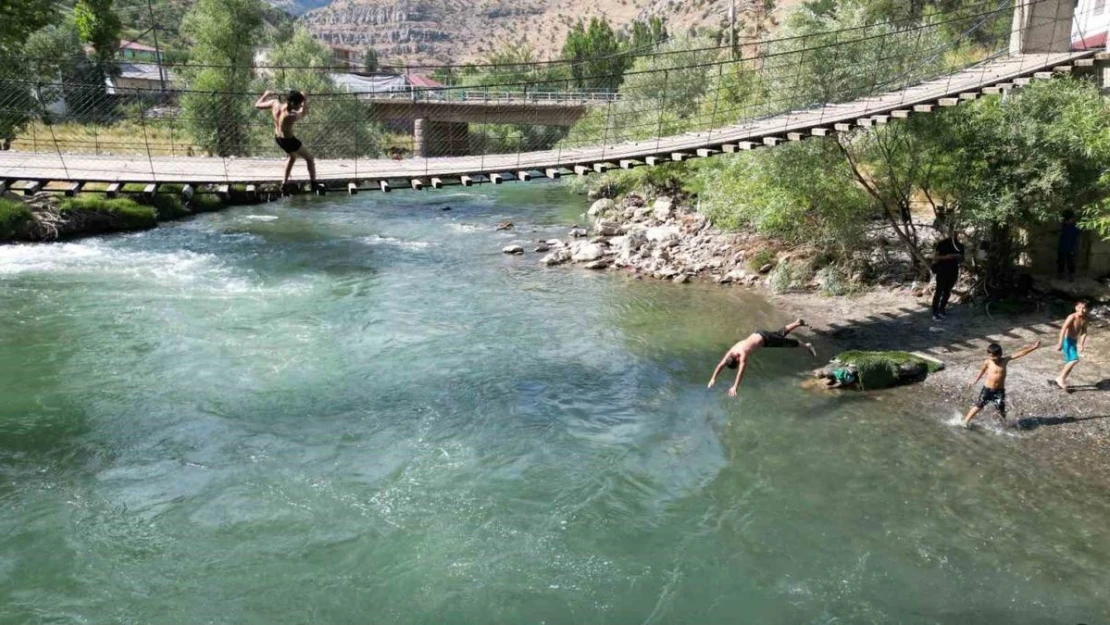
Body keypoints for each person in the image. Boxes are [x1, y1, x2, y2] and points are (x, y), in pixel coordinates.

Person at [708, 319, 818, 397]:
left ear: (736, 360)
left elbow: (741, 371)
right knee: (779, 334)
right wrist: (713, 378)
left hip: (765, 339)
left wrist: (735, 386)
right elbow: (720, 365)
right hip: (759, 334)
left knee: (786, 343)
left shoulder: (742, 354)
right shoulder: (732, 351)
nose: (739, 364)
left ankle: (807, 346)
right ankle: (798, 322)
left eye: (737, 364)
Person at [963, 340, 1040, 428]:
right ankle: (965, 421)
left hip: (999, 391)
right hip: (987, 389)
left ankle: (1004, 423)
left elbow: (1020, 353)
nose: (992, 358)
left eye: (993, 357)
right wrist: (974, 381)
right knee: (979, 405)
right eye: (990, 356)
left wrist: (1033, 348)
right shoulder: (987, 362)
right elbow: (981, 371)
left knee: (1001, 410)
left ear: (999, 355)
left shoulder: (1005, 361)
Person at [255, 89, 317, 192]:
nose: (299, 106)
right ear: (292, 103)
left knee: (292, 157)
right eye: (299, 104)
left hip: (278, 138)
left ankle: (284, 184)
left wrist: (265, 94)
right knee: (310, 158)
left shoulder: (275, 103)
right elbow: (304, 113)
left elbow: (257, 105)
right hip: (290, 141)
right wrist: (305, 99)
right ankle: (314, 184)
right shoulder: (290, 115)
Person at [1054, 300, 1089, 392]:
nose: (1081, 310)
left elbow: (1084, 332)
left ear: (1087, 309)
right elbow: (1063, 329)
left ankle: (1062, 380)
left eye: (1084, 308)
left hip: (1073, 341)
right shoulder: (1072, 317)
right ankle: (1060, 378)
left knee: (1070, 362)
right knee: (1074, 360)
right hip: (1067, 341)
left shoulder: (1085, 318)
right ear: (1076, 308)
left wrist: (1081, 344)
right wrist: (1060, 343)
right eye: (1079, 307)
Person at [931, 231, 964, 322]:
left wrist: (955, 255)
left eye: (956, 233)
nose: (955, 234)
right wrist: (945, 257)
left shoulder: (959, 245)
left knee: (947, 291)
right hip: (942, 270)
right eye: (953, 232)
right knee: (939, 291)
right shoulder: (942, 244)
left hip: (953, 271)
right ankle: (935, 312)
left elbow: (962, 258)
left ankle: (942, 309)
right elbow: (935, 257)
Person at [1057, 210, 1080, 282]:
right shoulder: (1065, 226)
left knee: (1071, 262)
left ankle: (1071, 276)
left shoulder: (1074, 227)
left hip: (1070, 247)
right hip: (1064, 247)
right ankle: (1061, 275)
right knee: (1061, 261)